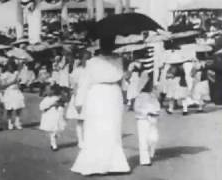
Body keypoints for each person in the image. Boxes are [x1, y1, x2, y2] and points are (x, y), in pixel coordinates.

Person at [71, 45, 131, 175]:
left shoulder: (118, 60)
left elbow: (122, 80)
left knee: (112, 128)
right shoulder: (93, 61)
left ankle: (114, 165)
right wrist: (79, 101)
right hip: (98, 93)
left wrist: (126, 95)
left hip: (113, 94)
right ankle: (93, 164)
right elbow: (85, 81)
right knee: (95, 127)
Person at [134, 70, 161, 166]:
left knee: (154, 137)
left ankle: (151, 152)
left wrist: (155, 113)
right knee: (143, 138)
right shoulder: (140, 96)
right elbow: (137, 108)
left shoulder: (153, 95)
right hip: (143, 119)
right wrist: (146, 113)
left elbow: (157, 105)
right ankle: (145, 159)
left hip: (153, 118)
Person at [65, 51, 90, 148]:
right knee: (80, 119)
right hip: (80, 96)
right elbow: (74, 87)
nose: (88, 61)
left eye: (89, 58)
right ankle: (80, 140)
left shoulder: (92, 71)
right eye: (86, 58)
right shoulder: (77, 71)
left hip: (91, 96)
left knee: (90, 119)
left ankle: (89, 139)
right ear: (82, 60)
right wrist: (76, 100)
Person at [39, 84, 67, 151]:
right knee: (52, 131)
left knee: (57, 130)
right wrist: (51, 105)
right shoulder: (46, 99)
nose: (48, 91)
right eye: (46, 90)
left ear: (53, 91)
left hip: (58, 117)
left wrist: (60, 103)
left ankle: (54, 140)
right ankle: (54, 144)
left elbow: (64, 103)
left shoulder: (57, 98)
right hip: (50, 117)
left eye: (49, 90)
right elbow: (42, 107)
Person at [1, 60, 25, 130]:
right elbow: (3, 85)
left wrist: (18, 82)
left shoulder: (16, 73)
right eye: (9, 66)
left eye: (12, 66)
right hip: (9, 92)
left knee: (18, 107)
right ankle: (9, 122)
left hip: (16, 91)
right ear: (7, 67)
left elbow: (18, 84)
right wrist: (12, 82)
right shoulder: (5, 74)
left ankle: (17, 122)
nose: (10, 68)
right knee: (9, 109)